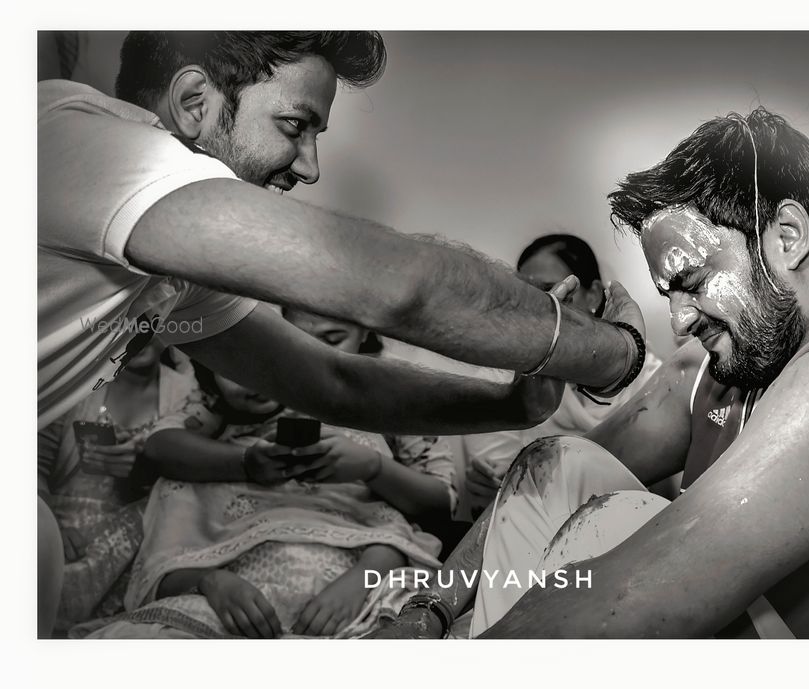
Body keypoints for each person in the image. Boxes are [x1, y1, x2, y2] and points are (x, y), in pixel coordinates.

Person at [37, 31, 645, 635]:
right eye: (295, 125)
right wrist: (616, 354)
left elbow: (331, 382)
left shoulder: (173, 269)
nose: (310, 166)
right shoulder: (87, 147)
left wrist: (513, 404)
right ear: (194, 101)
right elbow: (402, 286)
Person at [373, 108, 809, 639]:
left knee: (615, 525)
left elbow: (636, 591)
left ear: (787, 238)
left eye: (694, 282)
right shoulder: (713, 371)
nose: (679, 321)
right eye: (668, 296)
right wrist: (426, 612)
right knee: (561, 463)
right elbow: (543, 483)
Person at [82, 363, 449, 639]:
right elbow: (167, 552)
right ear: (209, 382)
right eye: (233, 371)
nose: (253, 382)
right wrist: (211, 582)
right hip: (236, 603)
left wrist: (363, 577)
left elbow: (398, 525)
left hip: (357, 590)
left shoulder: (349, 435)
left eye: (265, 365)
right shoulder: (200, 453)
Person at [463, 234, 663, 515]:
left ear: (593, 295)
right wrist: (490, 488)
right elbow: (497, 485)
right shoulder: (504, 376)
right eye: (526, 293)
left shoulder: (650, 380)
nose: (537, 306)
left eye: (551, 290)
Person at [36, 339, 206, 634]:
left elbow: (191, 483)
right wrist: (49, 523)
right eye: (130, 323)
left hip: (142, 546)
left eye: (150, 324)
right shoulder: (76, 386)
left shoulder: (189, 395)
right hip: (63, 536)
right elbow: (31, 465)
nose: (139, 335)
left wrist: (144, 473)